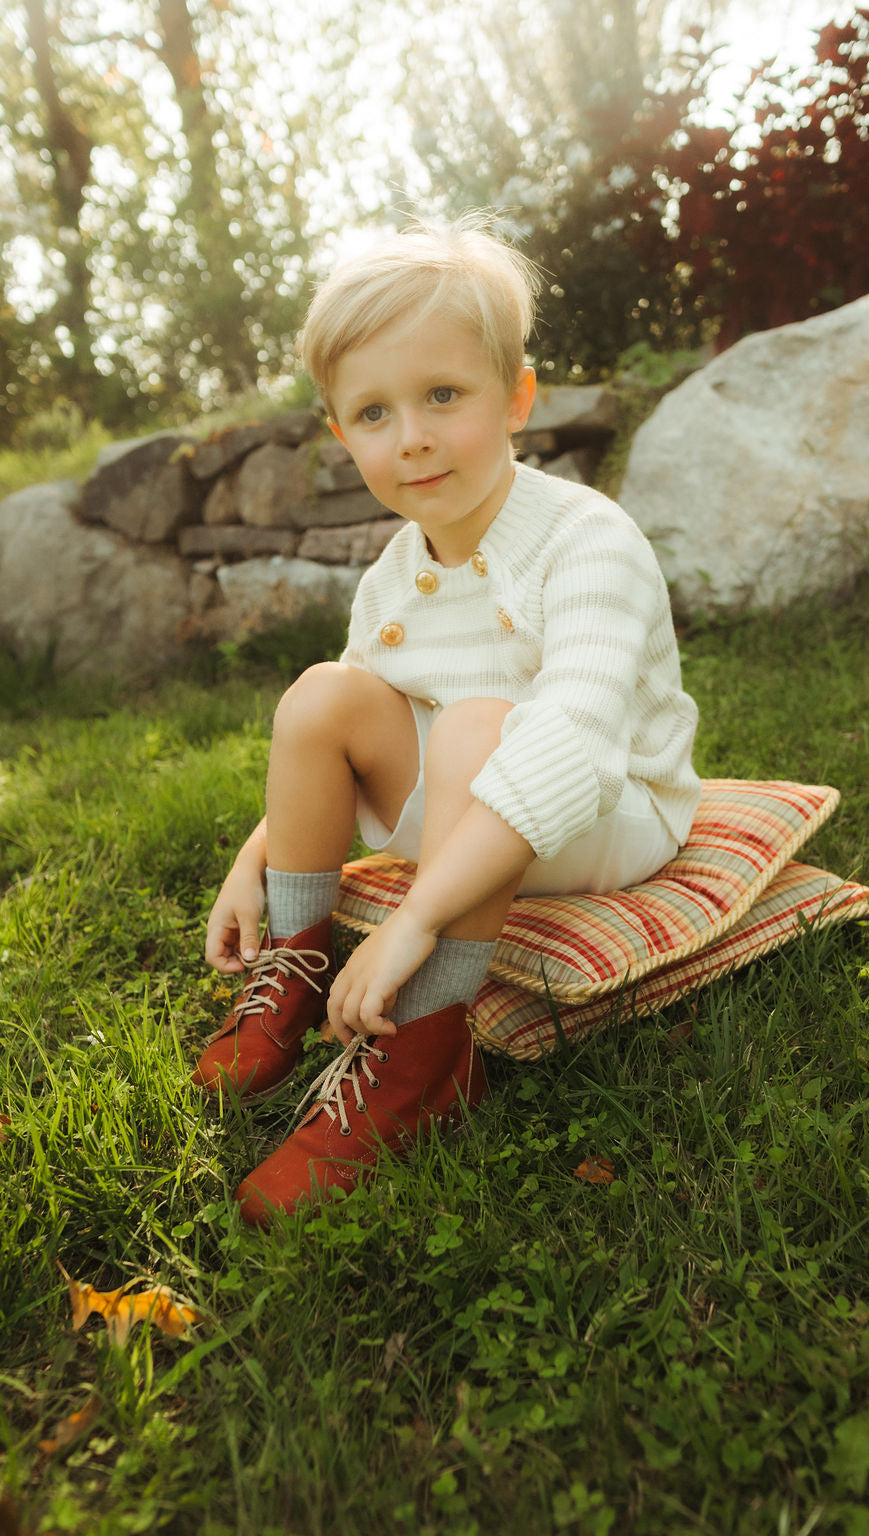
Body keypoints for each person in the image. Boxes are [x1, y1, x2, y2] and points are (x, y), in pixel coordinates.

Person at [190, 216, 702, 1225]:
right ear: (341, 436)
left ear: (516, 396)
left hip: (604, 809)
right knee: (321, 695)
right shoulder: (397, 568)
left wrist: (415, 921)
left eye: (442, 396)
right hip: (470, 801)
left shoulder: (585, 539)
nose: (411, 436)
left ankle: (425, 1055)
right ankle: (296, 970)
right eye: (373, 412)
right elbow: (346, 718)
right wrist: (257, 854)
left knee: (476, 725)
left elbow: (573, 742)